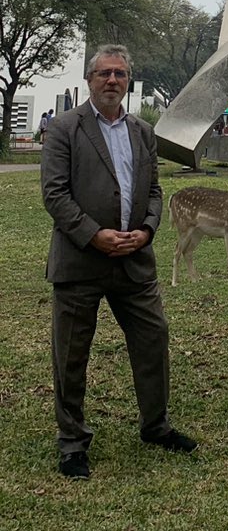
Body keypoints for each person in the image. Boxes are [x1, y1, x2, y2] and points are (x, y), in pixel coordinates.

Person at [41, 44, 196, 480]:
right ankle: (72, 443)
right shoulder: (65, 129)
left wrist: (146, 230)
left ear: (128, 81)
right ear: (90, 79)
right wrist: (95, 235)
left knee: (153, 339)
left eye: (120, 74)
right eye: (105, 73)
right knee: (71, 354)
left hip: (134, 260)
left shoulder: (143, 132)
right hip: (80, 261)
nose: (112, 81)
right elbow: (55, 194)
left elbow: (153, 191)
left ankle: (155, 426)